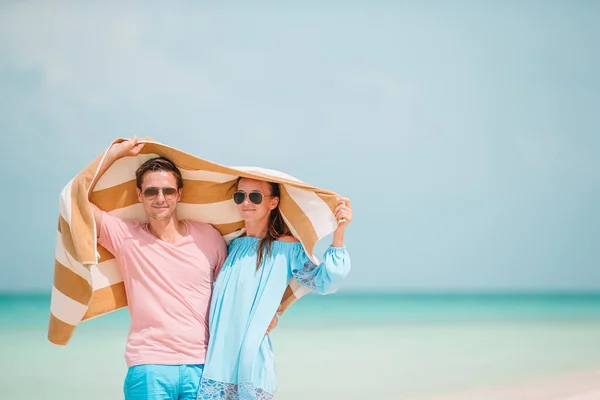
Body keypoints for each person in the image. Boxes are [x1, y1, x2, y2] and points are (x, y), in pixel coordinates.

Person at [90, 137, 228, 400]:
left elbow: (228, 293)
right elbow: (76, 201)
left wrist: (271, 314)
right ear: (140, 195)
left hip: (203, 364)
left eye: (167, 191)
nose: (160, 198)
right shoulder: (124, 237)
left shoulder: (209, 238)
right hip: (149, 364)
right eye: (151, 191)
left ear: (179, 194)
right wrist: (114, 155)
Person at [197, 177, 353, 399]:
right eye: (240, 196)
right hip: (216, 363)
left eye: (255, 196)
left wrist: (340, 232)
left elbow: (325, 281)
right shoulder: (232, 244)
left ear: (273, 202)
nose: (246, 202)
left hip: (251, 363)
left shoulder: (287, 247)